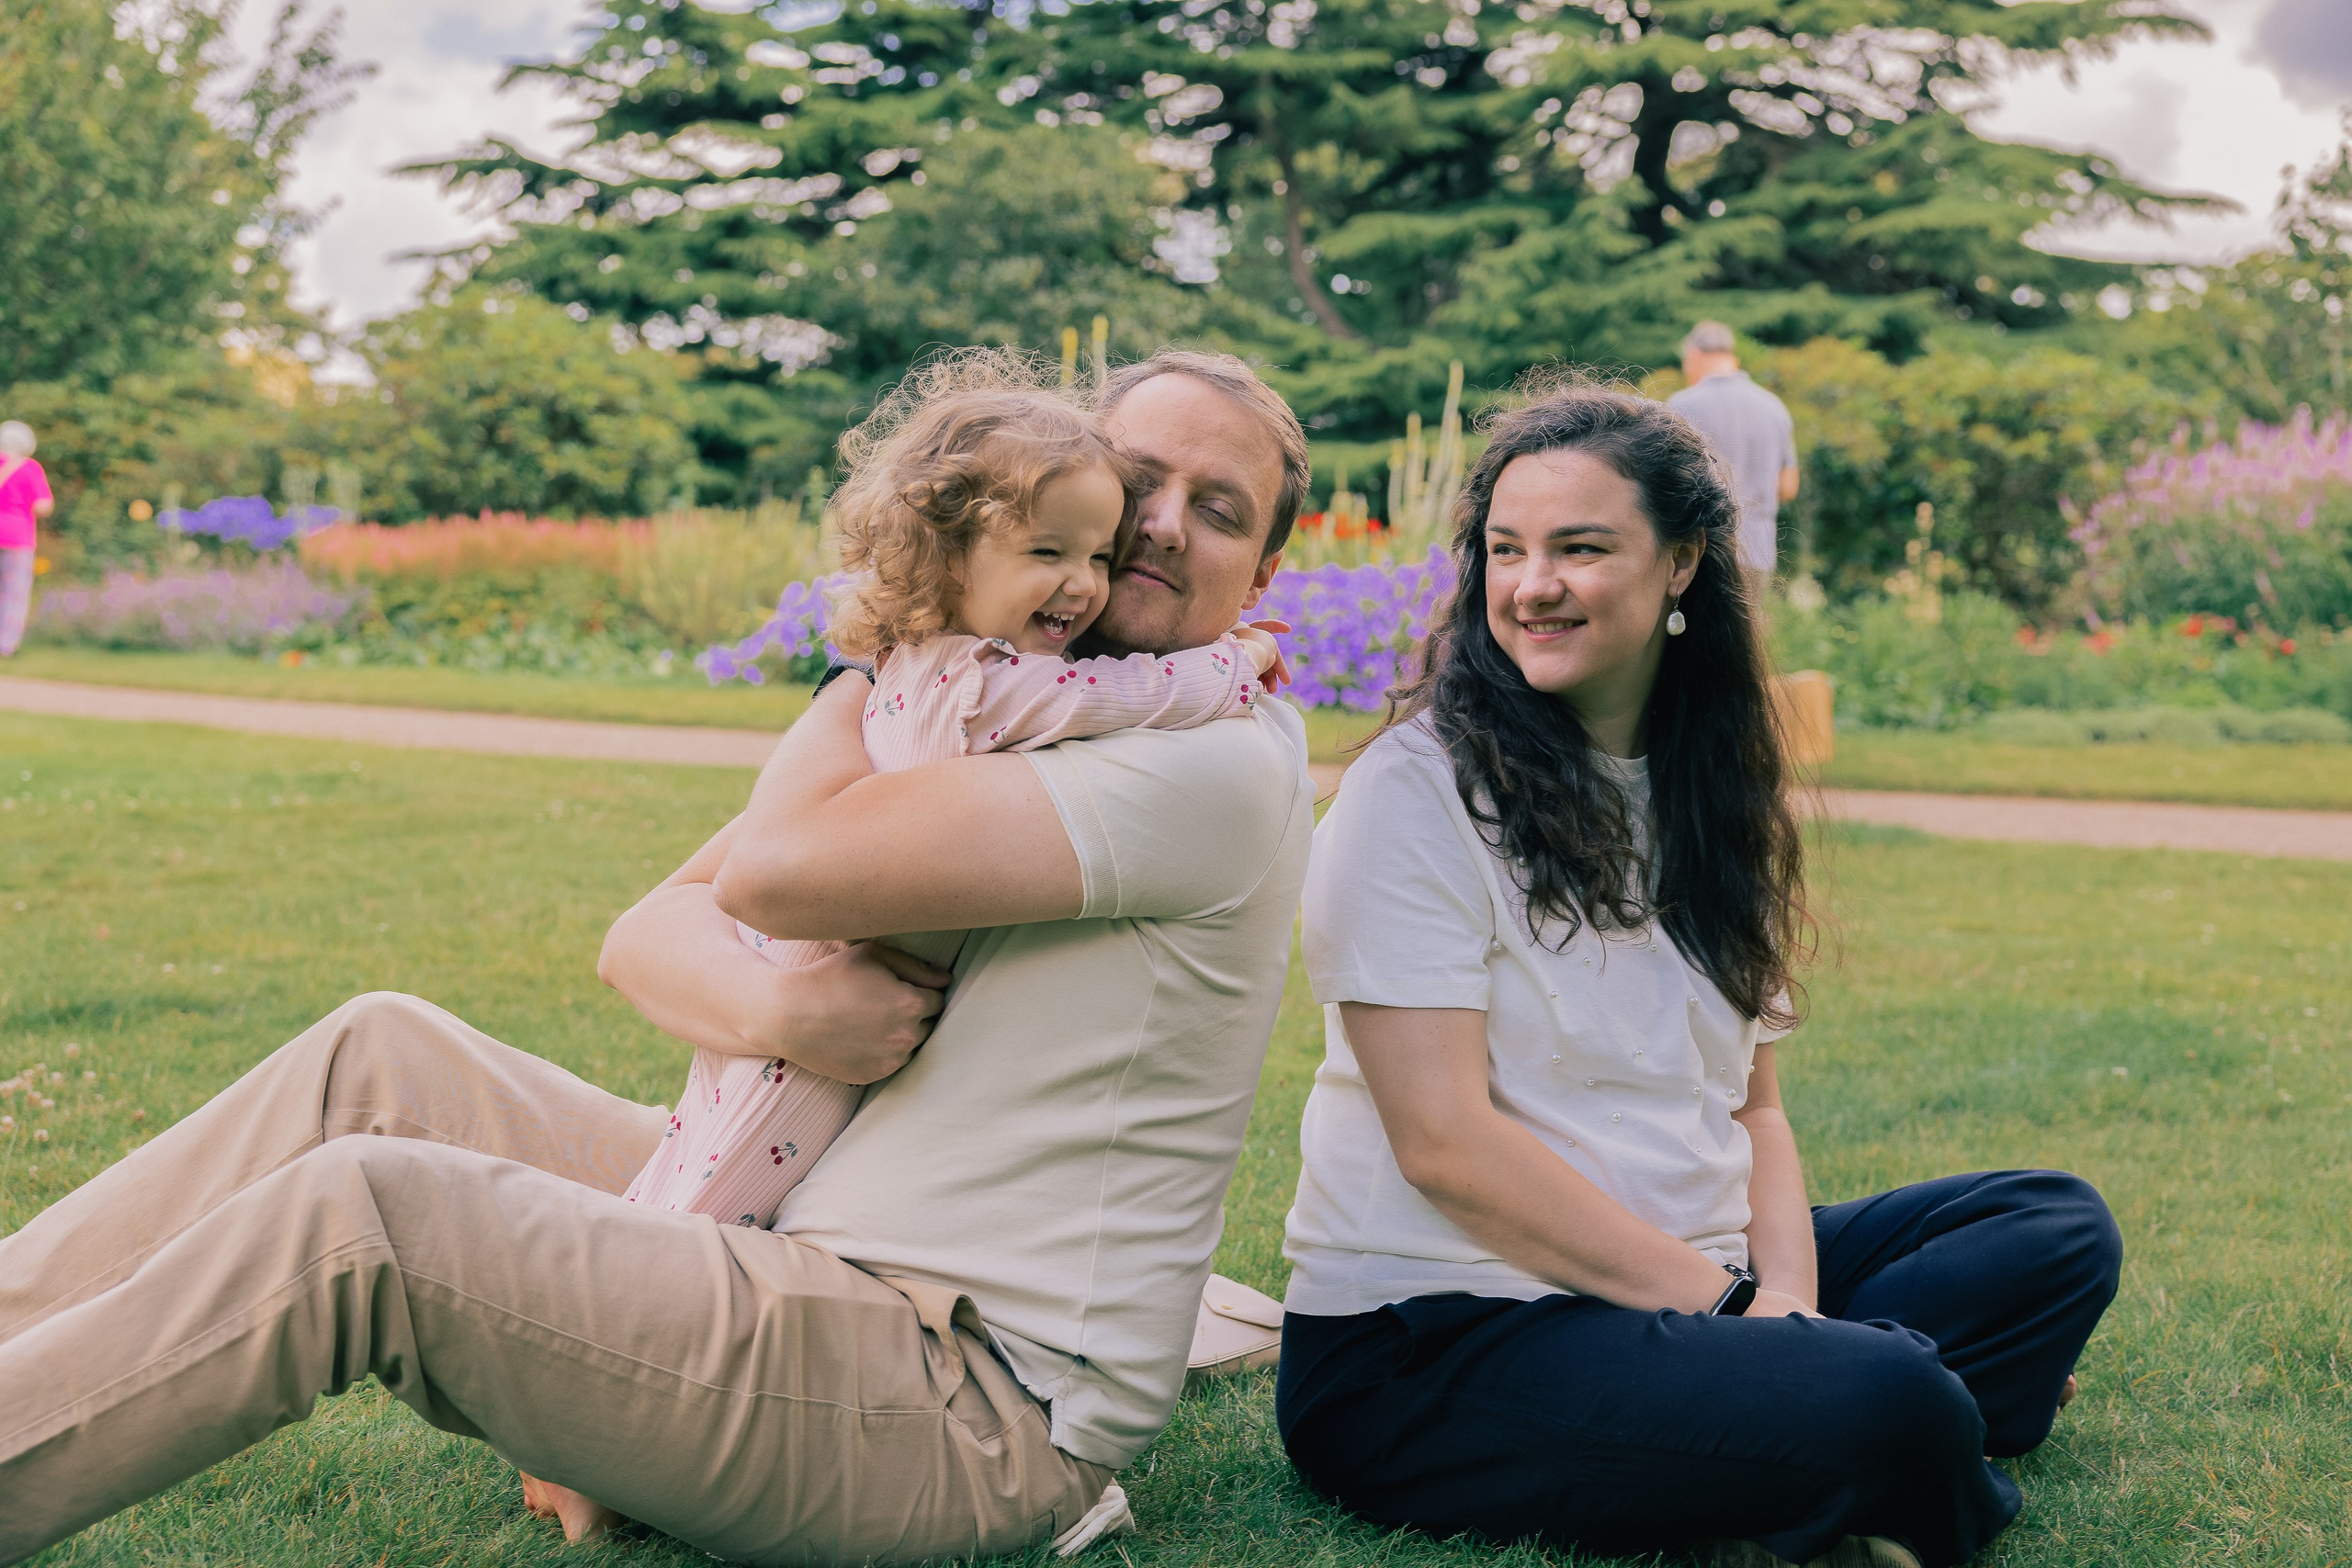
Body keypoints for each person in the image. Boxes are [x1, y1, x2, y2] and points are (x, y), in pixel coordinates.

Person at [0, 349, 1320, 1566]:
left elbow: (771, 869)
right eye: (1140, 479)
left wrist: (866, 673)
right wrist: (786, 1007)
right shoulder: (999, 706)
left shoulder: (1202, 760)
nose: (1157, 521)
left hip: (954, 1394)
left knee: (376, 1216)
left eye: (1218, 507)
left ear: (1260, 575)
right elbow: (648, 933)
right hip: (790, 1221)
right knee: (380, 1051)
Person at [1273, 377, 2120, 1568]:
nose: (1532, 583)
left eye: (1581, 547)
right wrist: (1741, 1319)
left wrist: (1786, 1303)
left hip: (1689, 1269)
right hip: (1442, 1333)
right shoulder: (1414, 791)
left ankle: (1819, 1411)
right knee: (1888, 1396)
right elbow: (1444, 1144)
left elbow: (1754, 1106)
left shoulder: (1712, 781)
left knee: (2051, 1225)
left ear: (1680, 563)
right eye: (1506, 549)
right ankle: (1901, 1422)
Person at [1668, 321, 1797, 611]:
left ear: (1695, 355)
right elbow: (1788, 487)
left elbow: (1667, 482)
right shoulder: (1774, 406)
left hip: (1702, 552)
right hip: (1759, 554)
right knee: (1744, 645)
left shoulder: (1681, 406)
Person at [0, 420, 55, 658]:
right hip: (17, 538)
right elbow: (43, 506)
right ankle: (5, 645)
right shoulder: (30, 467)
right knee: (14, 593)